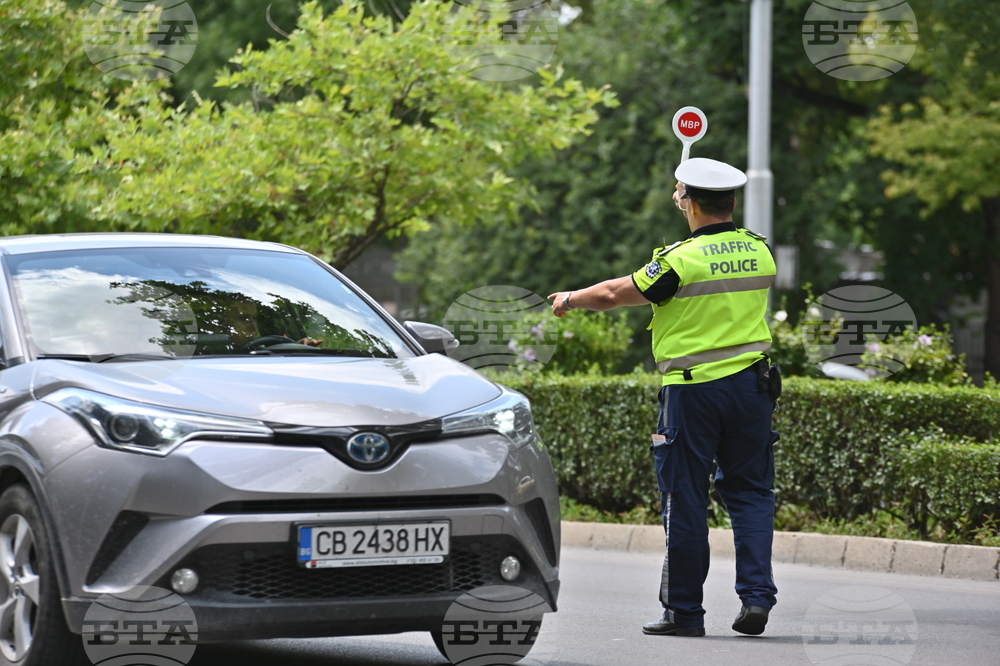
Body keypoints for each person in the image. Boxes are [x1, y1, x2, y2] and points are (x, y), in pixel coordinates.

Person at [548, 157, 778, 637]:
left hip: (693, 394)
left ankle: (684, 613)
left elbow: (615, 294)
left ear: (687, 202)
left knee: (686, 498)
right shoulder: (760, 250)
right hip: (752, 389)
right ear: (732, 201)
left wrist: (570, 298)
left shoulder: (679, 260)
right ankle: (757, 598)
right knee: (751, 493)